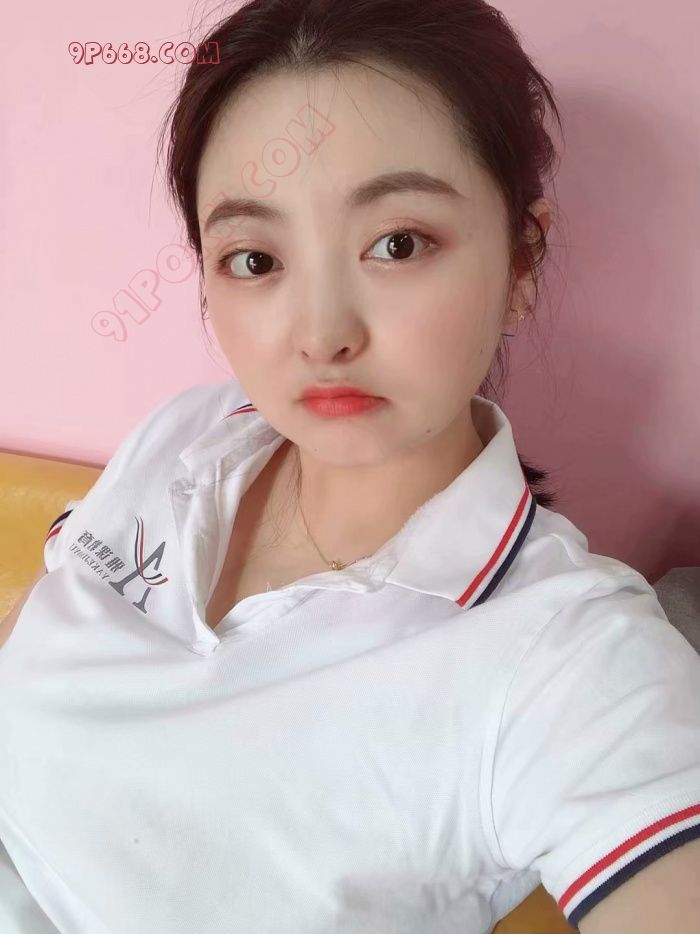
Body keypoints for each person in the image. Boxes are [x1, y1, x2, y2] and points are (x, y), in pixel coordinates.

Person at [1, 1, 699, 932]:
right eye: (255, 258)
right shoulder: (188, 432)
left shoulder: (568, 657)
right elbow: (48, 617)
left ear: (521, 262)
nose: (322, 335)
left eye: (397, 244)